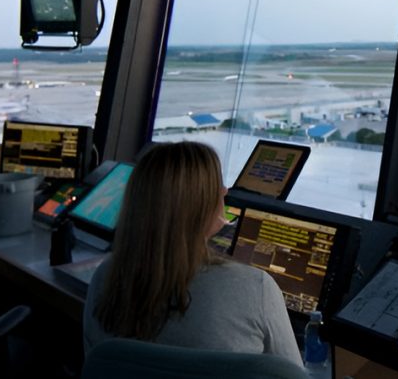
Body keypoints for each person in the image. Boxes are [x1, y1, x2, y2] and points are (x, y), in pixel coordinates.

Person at [82, 141, 302, 366]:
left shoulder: (105, 278)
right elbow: (294, 373)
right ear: (197, 204)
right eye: (216, 184)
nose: (224, 190)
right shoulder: (256, 288)